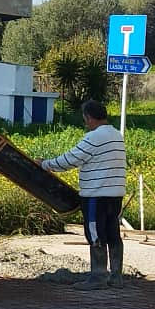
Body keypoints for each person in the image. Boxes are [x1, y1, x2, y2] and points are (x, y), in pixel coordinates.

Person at [41, 99, 127, 289]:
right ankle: (116, 276)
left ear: (88, 118)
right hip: (115, 194)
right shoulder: (116, 135)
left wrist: (45, 164)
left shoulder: (94, 137)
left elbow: (70, 159)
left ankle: (98, 277)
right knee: (113, 233)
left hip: (96, 194)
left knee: (95, 233)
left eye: (85, 119)